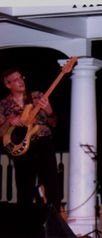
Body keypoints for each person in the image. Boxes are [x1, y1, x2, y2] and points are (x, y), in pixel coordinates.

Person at [0, 67, 61, 211]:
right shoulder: (3, 105)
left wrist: (50, 112)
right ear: (8, 85)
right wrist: (9, 121)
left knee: (52, 185)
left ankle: (56, 222)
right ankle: (25, 226)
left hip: (43, 144)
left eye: (21, 77)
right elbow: (1, 132)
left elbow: (53, 123)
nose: (20, 81)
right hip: (21, 150)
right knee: (24, 189)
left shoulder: (38, 96)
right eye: (16, 80)